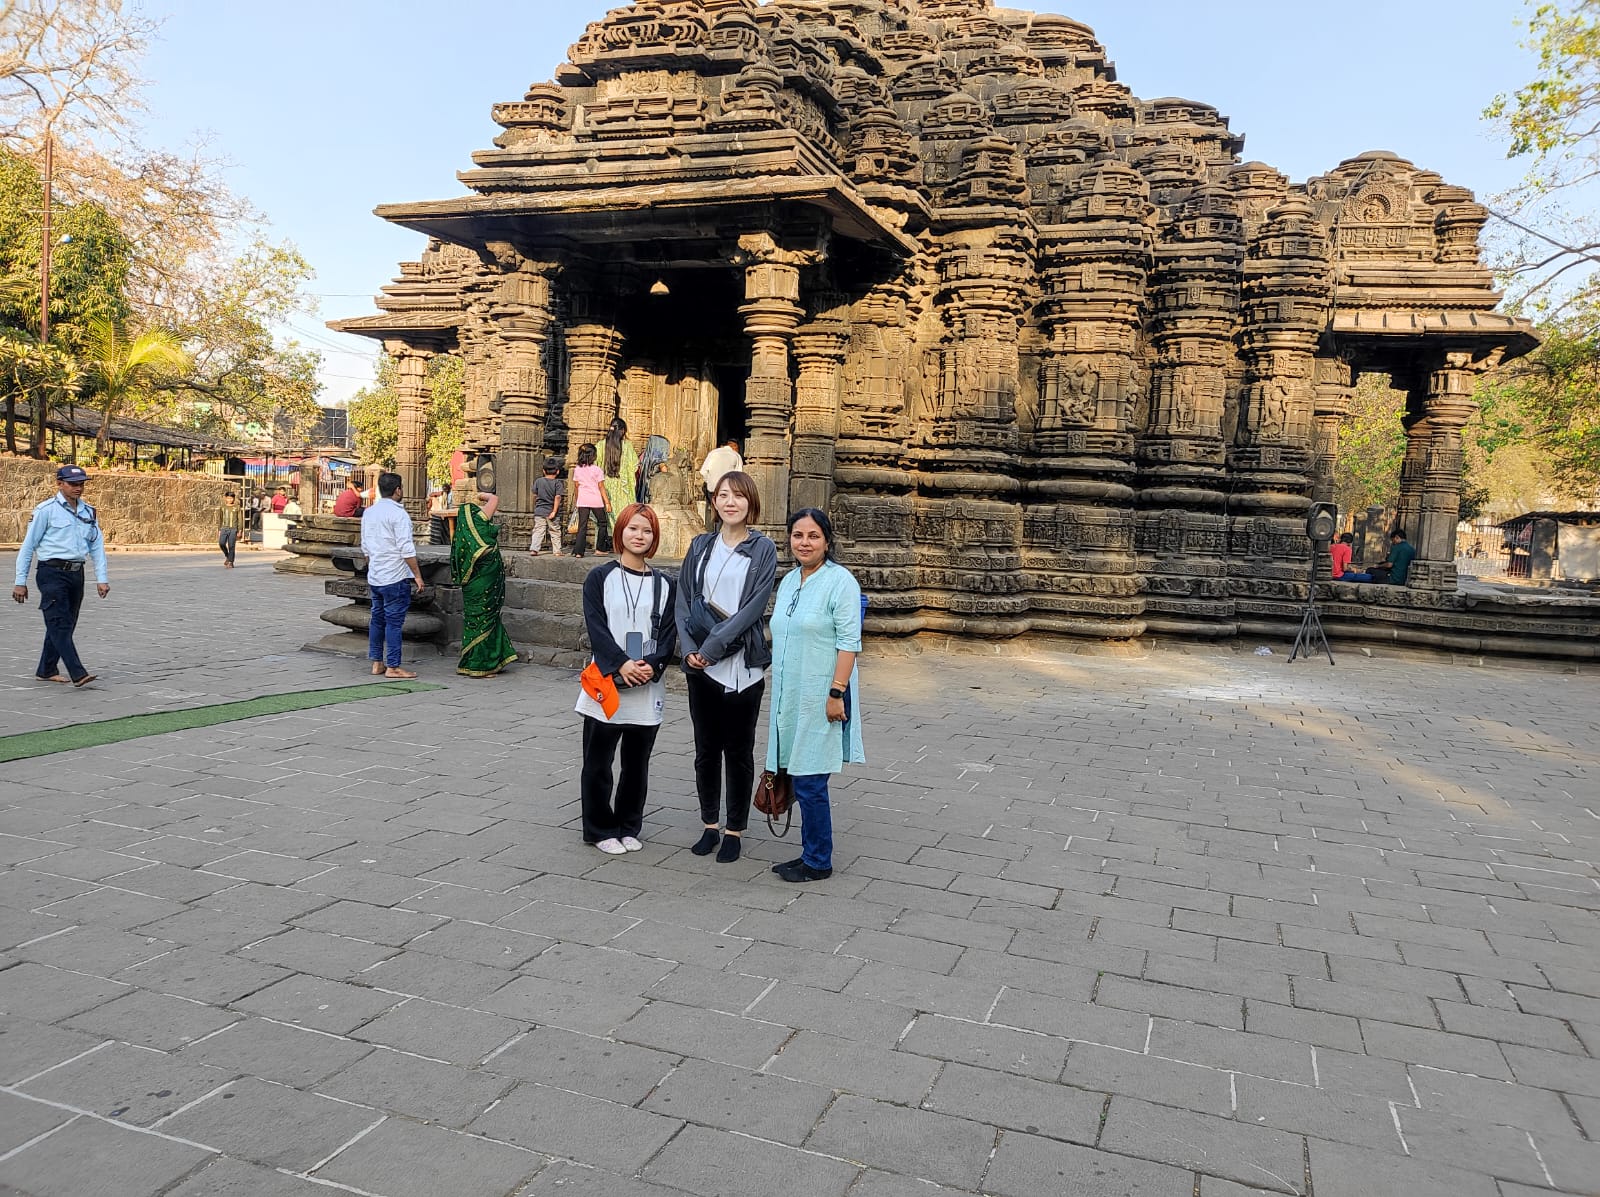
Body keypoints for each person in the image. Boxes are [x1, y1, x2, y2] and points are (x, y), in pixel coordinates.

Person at [675, 471, 778, 863]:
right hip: (700, 667)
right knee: (705, 750)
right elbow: (684, 600)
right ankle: (709, 825)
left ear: (751, 503)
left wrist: (713, 647)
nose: (730, 502)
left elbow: (753, 607)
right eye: (723, 495)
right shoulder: (701, 545)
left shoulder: (763, 549)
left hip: (742, 668)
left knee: (738, 750)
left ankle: (734, 829)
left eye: (738, 495)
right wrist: (689, 652)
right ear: (713, 501)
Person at [766, 508, 866, 883]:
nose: (804, 543)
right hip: (790, 695)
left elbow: (849, 644)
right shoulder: (791, 580)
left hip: (824, 694)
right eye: (797, 535)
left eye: (812, 536)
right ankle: (809, 852)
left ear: (827, 540)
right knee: (797, 773)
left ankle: (818, 861)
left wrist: (836, 693)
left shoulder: (841, 582)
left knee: (810, 780)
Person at [577, 503, 678, 854]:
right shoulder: (600, 577)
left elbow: (667, 634)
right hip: (607, 682)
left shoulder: (665, 584)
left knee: (637, 763)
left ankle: (629, 824)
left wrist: (651, 664)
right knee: (599, 761)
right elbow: (597, 627)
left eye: (647, 530)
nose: (639, 536)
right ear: (620, 532)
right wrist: (620, 664)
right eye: (633, 528)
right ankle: (599, 828)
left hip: (646, 683)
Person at [11, 465, 111, 688]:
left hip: (76, 573)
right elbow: (28, 547)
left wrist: (101, 578)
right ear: (59, 484)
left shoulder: (88, 511)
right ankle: (78, 672)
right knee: (59, 623)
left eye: (81, 484)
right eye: (73, 484)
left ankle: (46, 669)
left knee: (65, 624)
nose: (78, 488)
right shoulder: (46, 510)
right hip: (51, 573)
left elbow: (97, 547)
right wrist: (20, 582)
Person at [360, 471, 424, 679]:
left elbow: (366, 547)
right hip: (395, 576)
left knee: (377, 619)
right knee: (394, 623)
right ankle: (393, 666)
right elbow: (406, 549)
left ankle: (377, 661)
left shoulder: (369, 513)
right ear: (398, 490)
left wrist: (374, 567)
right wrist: (417, 575)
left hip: (376, 575)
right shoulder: (399, 515)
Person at [452, 490, 518, 678]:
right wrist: (481, 495)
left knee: (476, 620)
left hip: (473, 585)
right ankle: (480, 665)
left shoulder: (464, 540)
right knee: (485, 620)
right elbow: (494, 499)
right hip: (485, 583)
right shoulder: (481, 525)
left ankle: (476, 660)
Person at [571, 443, 610, 559]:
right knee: (602, 523)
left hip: (582, 500)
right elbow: (601, 487)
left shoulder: (577, 470)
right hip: (595, 500)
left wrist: (577, 501)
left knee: (582, 526)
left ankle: (578, 551)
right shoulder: (597, 470)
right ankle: (600, 548)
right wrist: (607, 502)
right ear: (593, 456)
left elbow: (576, 486)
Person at [699, 439, 743, 528]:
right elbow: (739, 476)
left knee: (712, 510)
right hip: (726, 490)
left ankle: (709, 531)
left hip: (711, 489)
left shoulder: (713, 453)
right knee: (723, 512)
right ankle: (719, 533)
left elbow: (703, 472)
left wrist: (710, 482)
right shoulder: (736, 456)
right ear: (734, 447)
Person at [601, 417, 639, 517]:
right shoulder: (627, 446)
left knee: (607, 516)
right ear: (622, 431)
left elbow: (595, 466)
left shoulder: (600, 445)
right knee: (623, 517)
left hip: (605, 486)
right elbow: (635, 465)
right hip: (623, 486)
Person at [530, 459, 564, 556]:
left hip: (539, 511)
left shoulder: (538, 481)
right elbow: (557, 497)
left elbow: (534, 495)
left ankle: (534, 549)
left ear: (544, 471)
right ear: (557, 471)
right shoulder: (557, 483)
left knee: (538, 530)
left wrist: (536, 506)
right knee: (555, 531)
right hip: (552, 511)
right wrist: (554, 511)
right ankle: (557, 551)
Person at [218, 491, 244, 568]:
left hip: (233, 529)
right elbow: (220, 519)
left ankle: (230, 561)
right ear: (225, 498)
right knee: (221, 543)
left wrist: (240, 530)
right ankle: (227, 555)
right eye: (228, 498)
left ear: (234, 499)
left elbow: (240, 519)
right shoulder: (222, 507)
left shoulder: (237, 507)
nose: (230, 500)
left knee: (231, 546)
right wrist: (219, 530)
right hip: (224, 528)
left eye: (231, 498)